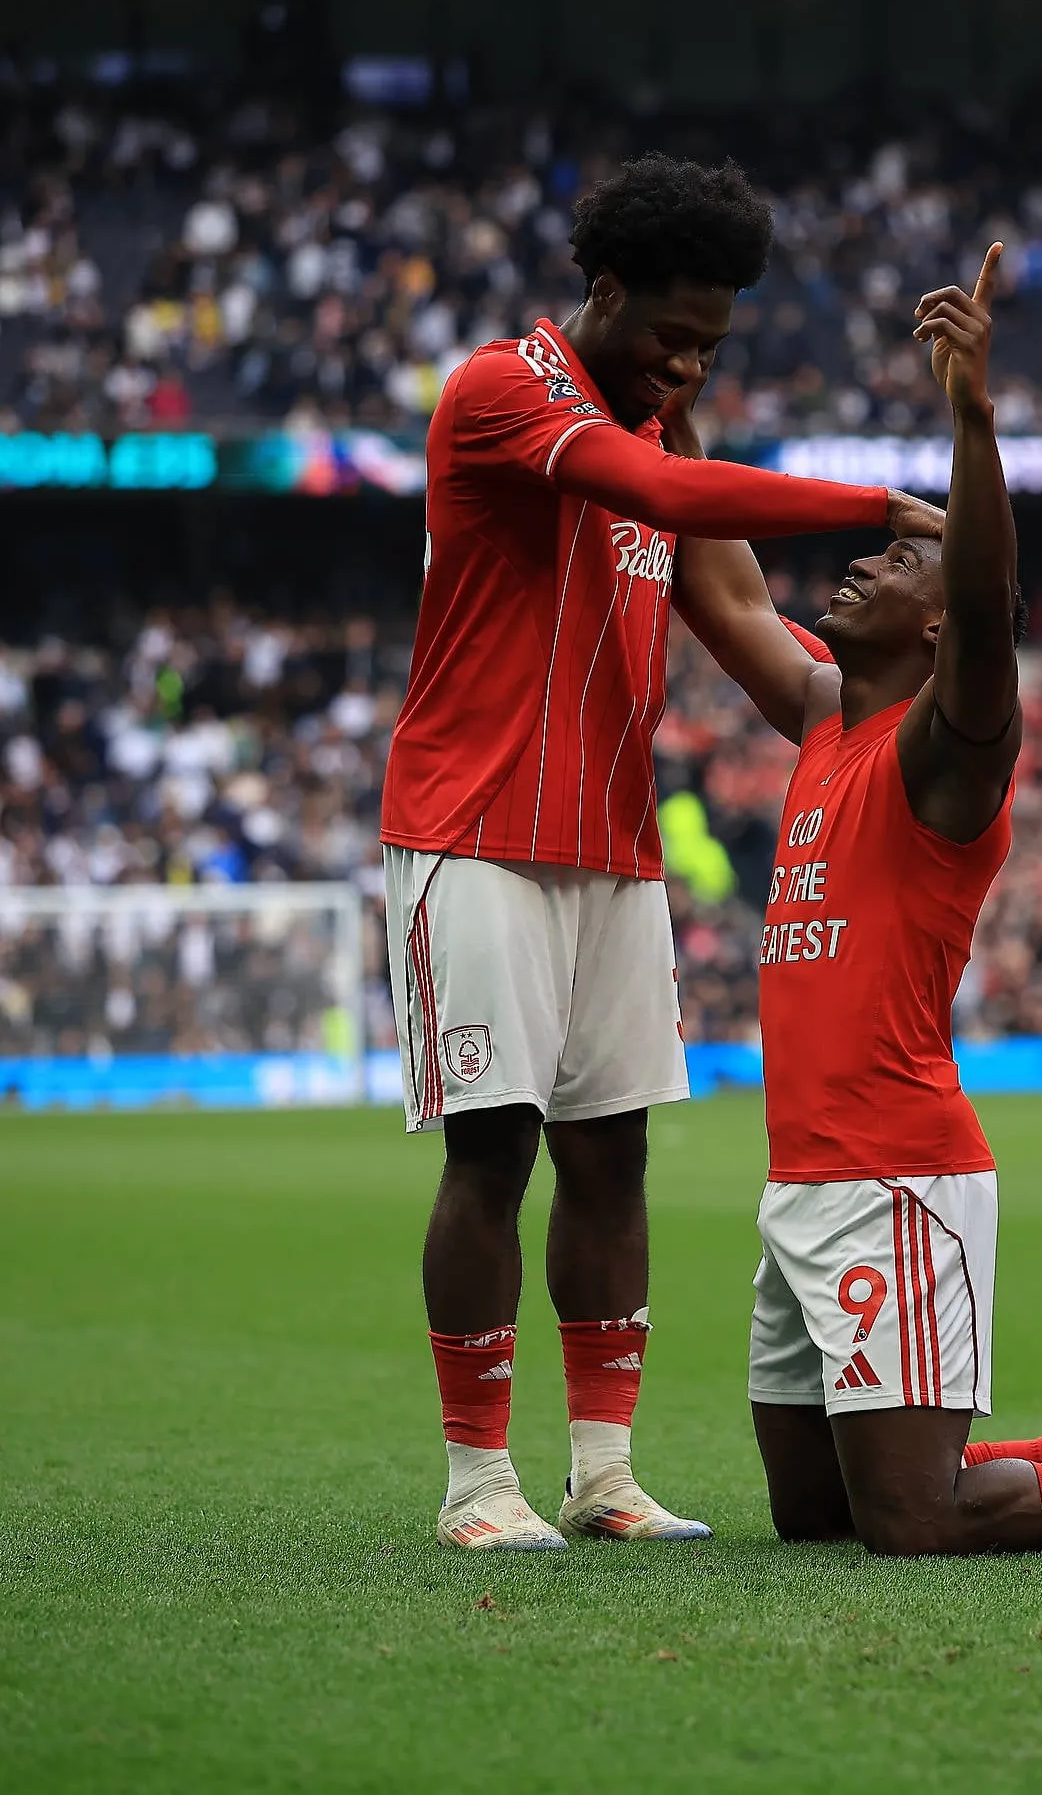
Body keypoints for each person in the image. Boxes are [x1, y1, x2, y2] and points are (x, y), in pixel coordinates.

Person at [667, 245, 1042, 1555]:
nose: (872, 563)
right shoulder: (829, 716)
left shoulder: (950, 752)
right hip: (801, 1182)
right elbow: (714, 580)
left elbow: (988, 605)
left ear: (946, 629)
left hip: (898, 1173)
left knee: (915, 1525)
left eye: (903, 566)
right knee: (816, 1514)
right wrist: (670, 412)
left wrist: (974, 419)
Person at [385, 154, 941, 1554]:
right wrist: (884, 508)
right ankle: (475, 1484)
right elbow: (658, 494)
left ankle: (603, 1473)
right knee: (493, 1152)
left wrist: (950, 710)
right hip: (476, 831)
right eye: (671, 333)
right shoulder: (506, 392)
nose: (688, 362)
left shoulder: (669, 441)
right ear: (606, 290)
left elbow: (780, 666)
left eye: (714, 342)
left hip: (612, 847)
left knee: (614, 1157)